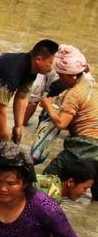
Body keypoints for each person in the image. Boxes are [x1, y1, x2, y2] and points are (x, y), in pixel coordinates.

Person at [0, 141, 96, 234]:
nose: (85, 193)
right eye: (85, 187)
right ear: (70, 182)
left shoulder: (50, 179)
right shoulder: (53, 196)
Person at [40, 45, 98, 201]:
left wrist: (47, 106)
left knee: (46, 180)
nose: (60, 78)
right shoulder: (92, 84)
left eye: (62, 75)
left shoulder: (74, 94)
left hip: (84, 145)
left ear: (72, 75)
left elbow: (62, 124)